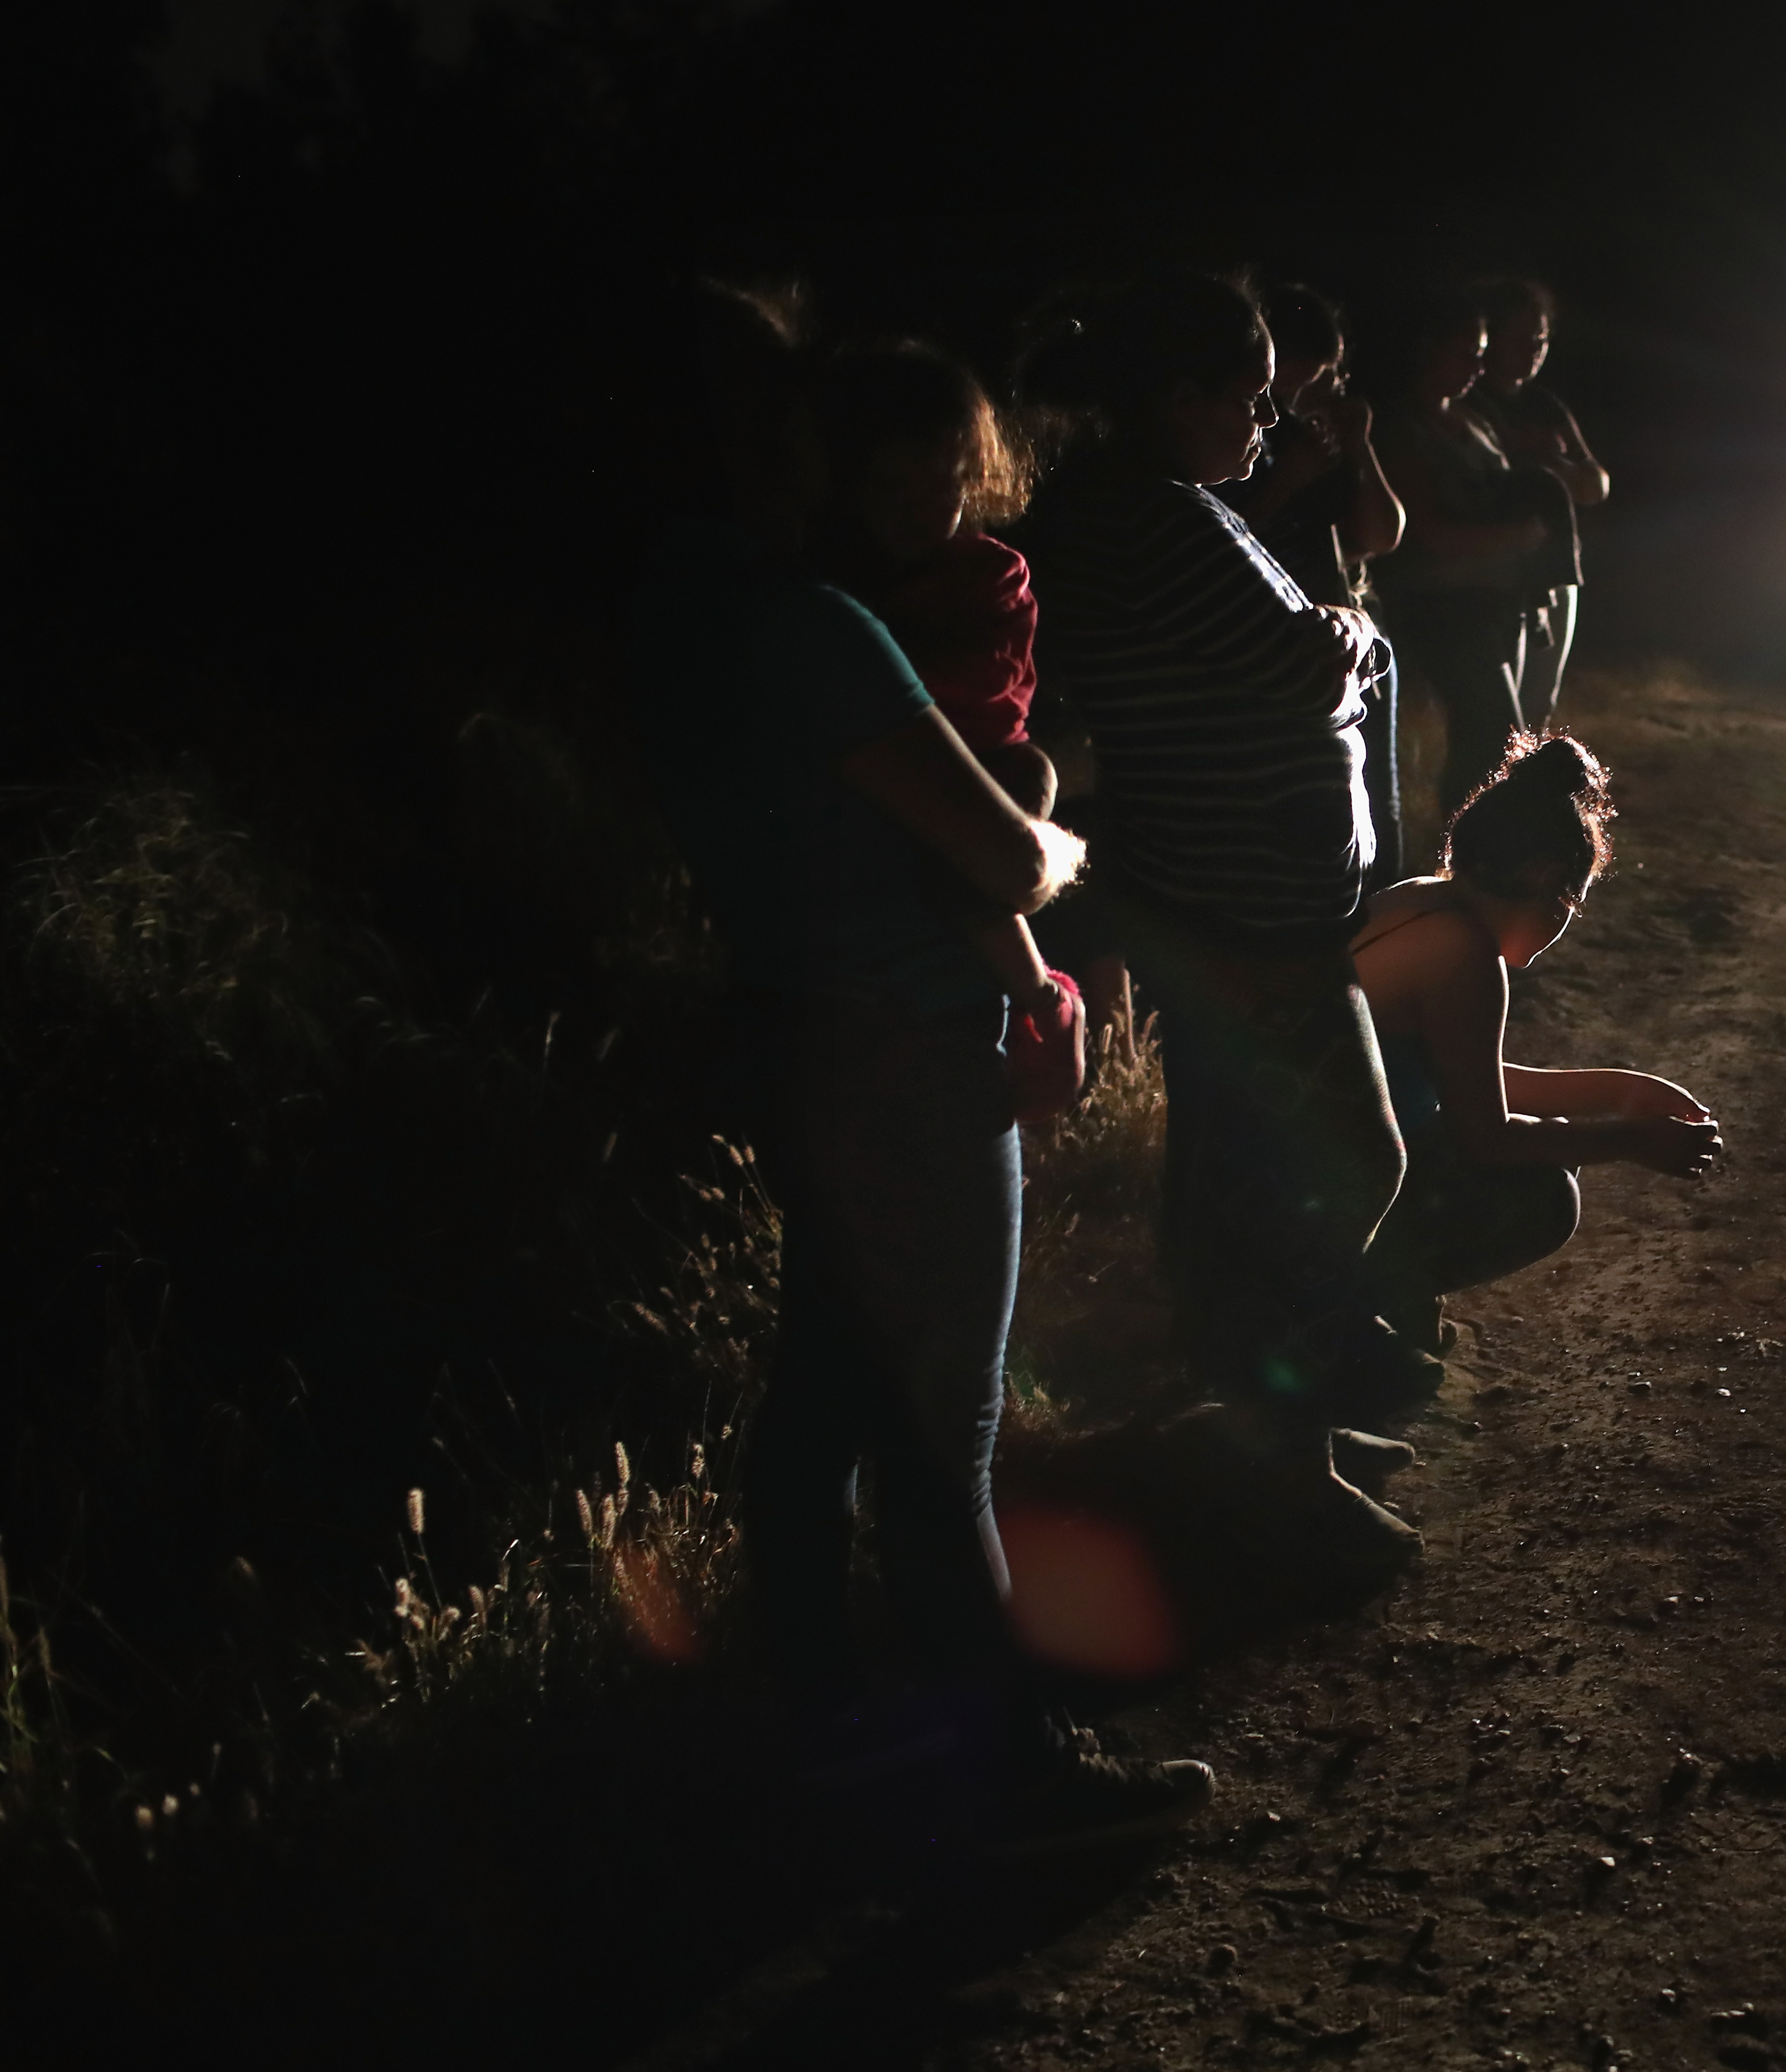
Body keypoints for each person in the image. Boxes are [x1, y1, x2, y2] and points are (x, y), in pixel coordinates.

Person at [622, 281, 1212, 1850]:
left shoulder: (682, 626)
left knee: (824, 1401)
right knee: (938, 1436)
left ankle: (832, 1728)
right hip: (902, 1058)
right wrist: (1055, 832)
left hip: (807, 1036)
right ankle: (1013, 1782)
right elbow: (1006, 858)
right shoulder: (818, 635)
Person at [1014, 270, 1428, 1562]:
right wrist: (1349, 635)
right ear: (1180, 398)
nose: (1267, 424)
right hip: (1234, 911)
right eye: (1248, 400)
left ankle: (1269, 1427)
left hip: (1242, 898)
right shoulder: (1143, 520)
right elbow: (1304, 664)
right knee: (1328, 1167)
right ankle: (1277, 1466)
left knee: (1258, 1176)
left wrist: (1331, 637)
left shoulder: (1169, 504)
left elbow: (1300, 650)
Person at [1349, 733, 1722, 1352]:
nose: (1565, 920)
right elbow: (1487, 1136)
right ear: (1547, 877)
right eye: (1572, 900)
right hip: (1315, 1206)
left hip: (1280, 1173)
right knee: (1545, 1193)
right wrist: (1632, 1139)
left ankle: (1382, 1311)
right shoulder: (1465, 957)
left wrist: (1622, 1093)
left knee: (1551, 1140)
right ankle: (1340, 1314)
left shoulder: (1417, 900)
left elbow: (1467, 1080)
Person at [818, 337, 1084, 1122]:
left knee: (1027, 782)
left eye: (946, 484)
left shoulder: (987, 575)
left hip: (984, 765)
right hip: (899, 785)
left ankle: (1037, 991)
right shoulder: (834, 584)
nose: (922, 509)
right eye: (893, 485)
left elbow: (979, 695)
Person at [1217, 284, 1408, 886]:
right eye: (1304, 377)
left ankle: (1382, 914)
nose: (1311, 393)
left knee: (1377, 794)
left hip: (1351, 636)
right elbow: (1224, 540)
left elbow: (1380, 533)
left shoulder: (1305, 437)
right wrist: (1287, 482)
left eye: (1329, 376)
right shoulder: (1240, 448)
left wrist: (1359, 447)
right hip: (1290, 652)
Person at [1368, 283, 1546, 818]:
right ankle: (1465, 861)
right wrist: (1519, 536)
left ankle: (1470, 860)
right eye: (1464, 354)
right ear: (1427, 350)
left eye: (1480, 355)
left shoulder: (1469, 420)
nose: (1476, 367)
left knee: (1493, 738)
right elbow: (1427, 532)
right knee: (1494, 735)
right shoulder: (1401, 429)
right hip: (1444, 604)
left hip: (1495, 600)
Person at [1463, 275, 1608, 727]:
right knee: (1498, 709)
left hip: (1556, 567)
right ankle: (1491, 794)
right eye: (1521, 339)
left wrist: (1557, 465)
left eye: (1541, 340)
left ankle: (1526, 791)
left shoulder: (1545, 406)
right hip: (1496, 567)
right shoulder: (1466, 402)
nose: (1534, 351)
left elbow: (1596, 484)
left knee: (1539, 701)